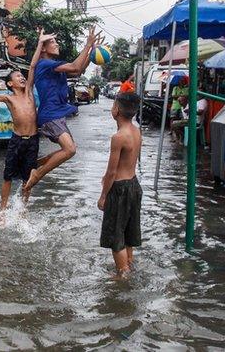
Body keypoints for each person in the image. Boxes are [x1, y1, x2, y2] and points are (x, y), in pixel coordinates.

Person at [0, 30, 53, 214]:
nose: (22, 77)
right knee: (7, 177)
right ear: (10, 84)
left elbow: (32, 67)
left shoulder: (29, 95)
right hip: (16, 141)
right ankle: (2, 211)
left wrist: (40, 43)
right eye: (18, 77)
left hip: (32, 141)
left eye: (22, 76)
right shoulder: (9, 99)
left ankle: (22, 210)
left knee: (28, 178)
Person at [23, 27, 103, 195]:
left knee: (70, 149)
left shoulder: (53, 66)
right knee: (70, 149)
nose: (57, 43)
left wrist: (91, 53)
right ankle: (37, 174)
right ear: (43, 49)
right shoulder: (45, 64)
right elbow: (75, 66)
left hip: (56, 114)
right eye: (53, 41)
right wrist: (88, 45)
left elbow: (78, 69)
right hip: (50, 115)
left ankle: (39, 163)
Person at [98, 92, 143, 275]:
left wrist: (103, 196)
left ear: (116, 109)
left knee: (116, 234)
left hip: (120, 189)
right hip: (134, 185)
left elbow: (112, 172)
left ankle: (122, 275)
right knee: (129, 232)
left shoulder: (118, 137)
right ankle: (129, 264)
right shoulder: (136, 130)